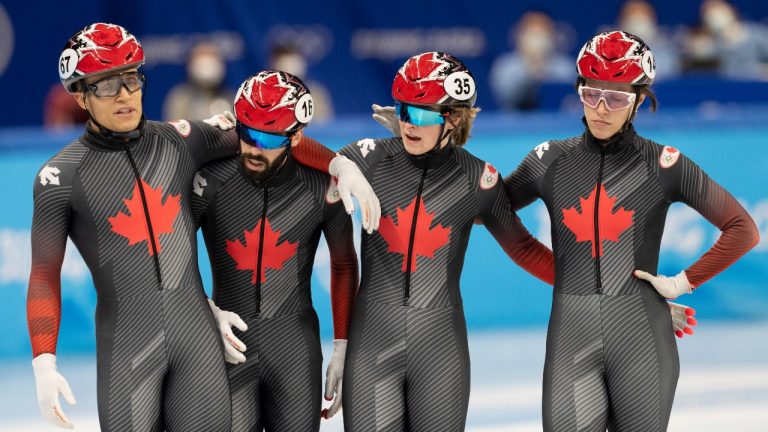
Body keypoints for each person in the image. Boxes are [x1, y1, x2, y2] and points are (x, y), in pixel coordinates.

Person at [27, 22, 377, 431]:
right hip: (127, 346)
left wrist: (338, 163)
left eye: (131, 78)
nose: (124, 94)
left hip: (198, 345)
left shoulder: (182, 139)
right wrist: (44, 362)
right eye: (106, 85)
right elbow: (44, 275)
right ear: (79, 94)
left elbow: (273, 132)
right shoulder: (58, 177)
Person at [503, 30, 759, 431]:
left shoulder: (664, 163)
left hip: (642, 338)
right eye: (591, 94)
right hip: (572, 338)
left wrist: (679, 284)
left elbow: (742, 229)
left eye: (617, 98)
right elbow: (485, 210)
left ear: (639, 100)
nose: (602, 109)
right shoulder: (548, 159)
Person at [329, 51, 555, 431]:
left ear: (453, 117)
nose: (407, 124)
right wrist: (339, 163)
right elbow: (295, 150)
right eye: (403, 110)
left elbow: (526, 250)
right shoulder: (367, 159)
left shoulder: (478, 180)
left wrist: (630, 293)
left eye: (421, 114)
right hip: (372, 342)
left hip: (440, 349)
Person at [192, 70, 358, 431]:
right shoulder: (210, 180)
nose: (252, 148)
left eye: (266, 139)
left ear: (296, 136)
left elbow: (344, 264)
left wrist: (344, 346)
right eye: (246, 133)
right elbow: (167, 254)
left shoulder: (323, 187)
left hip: (294, 348)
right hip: (227, 343)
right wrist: (206, 310)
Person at [489, 11, 573, 110]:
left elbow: (571, 100)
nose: (537, 38)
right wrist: (532, 67)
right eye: (531, 32)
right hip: (516, 123)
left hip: (559, 123)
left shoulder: (566, 67)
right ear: (519, 35)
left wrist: (543, 66)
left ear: (553, 36)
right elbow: (507, 98)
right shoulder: (505, 66)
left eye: (542, 31)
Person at [163, 41, 235, 121]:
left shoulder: (231, 98)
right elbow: (173, 130)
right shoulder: (180, 99)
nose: (207, 63)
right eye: (201, 57)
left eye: (212, 56)